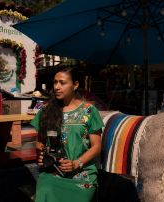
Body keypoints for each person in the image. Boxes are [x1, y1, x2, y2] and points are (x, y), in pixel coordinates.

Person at [30, 66, 104, 202]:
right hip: (52, 173)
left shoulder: (89, 111)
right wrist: (41, 155)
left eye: (62, 83)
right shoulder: (46, 110)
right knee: (45, 190)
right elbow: (40, 141)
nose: (57, 87)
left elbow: (96, 147)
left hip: (82, 174)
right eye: (55, 82)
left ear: (75, 85)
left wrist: (77, 163)